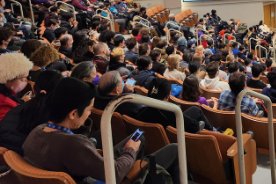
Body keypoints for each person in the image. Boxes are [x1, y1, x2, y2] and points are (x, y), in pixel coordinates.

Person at [22, 77, 181, 184]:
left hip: (84, 168)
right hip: (105, 177)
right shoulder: (73, 145)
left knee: (138, 137)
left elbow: (75, 154)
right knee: (174, 149)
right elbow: (115, 173)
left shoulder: (37, 131)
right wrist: (130, 152)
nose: (90, 113)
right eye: (89, 109)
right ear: (73, 113)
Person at [0, 70, 62, 155]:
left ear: (33, 88)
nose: (26, 81)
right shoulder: (59, 119)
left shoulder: (15, 110)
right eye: (23, 78)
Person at [133, 78, 214, 134]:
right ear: (168, 95)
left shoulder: (141, 111)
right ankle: (214, 131)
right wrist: (201, 123)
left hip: (159, 137)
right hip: (176, 139)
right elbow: (195, 127)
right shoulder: (172, 113)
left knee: (195, 109)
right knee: (196, 111)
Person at [0, 53, 34, 121]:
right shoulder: (6, 105)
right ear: (9, 78)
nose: (26, 81)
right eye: (23, 78)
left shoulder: (7, 93)